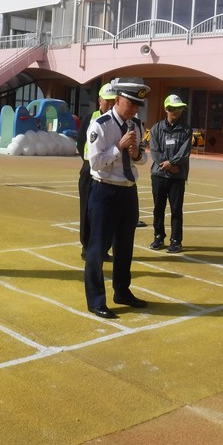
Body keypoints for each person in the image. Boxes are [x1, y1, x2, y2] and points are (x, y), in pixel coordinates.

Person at [84, 77, 150, 319]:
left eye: (137, 106)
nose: (134, 110)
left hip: (128, 190)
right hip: (105, 191)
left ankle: (122, 291)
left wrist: (136, 154)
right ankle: (96, 300)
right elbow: (95, 162)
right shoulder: (101, 125)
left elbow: (142, 159)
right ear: (118, 99)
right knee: (98, 248)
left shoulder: (137, 125)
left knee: (125, 246)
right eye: (130, 104)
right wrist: (118, 148)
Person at [76, 82, 117, 261]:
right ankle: (87, 247)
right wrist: (89, 162)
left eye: (113, 101)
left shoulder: (117, 121)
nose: (110, 104)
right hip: (89, 169)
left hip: (109, 172)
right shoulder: (90, 119)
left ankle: (103, 248)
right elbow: (80, 143)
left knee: (106, 212)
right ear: (99, 100)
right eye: (107, 100)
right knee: (87, 210)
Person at [149, 94, 192, 253]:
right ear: (166, 109)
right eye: (174, 109)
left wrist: (172, 163)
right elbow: (154, 151)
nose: (177, 112)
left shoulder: (186, 130)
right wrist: (167, 166)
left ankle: (176, 240)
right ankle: (158, 236)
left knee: (176, 210)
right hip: (159, 175)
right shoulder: (156, 129)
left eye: (179, 109)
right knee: (158, 208)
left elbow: (184, 152)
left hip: (177, 177)